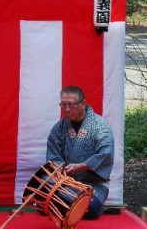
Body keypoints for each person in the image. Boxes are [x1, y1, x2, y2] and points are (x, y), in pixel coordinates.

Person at [46, 85, 114, 220]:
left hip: (93, 183)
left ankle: (65, 207)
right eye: (63, 104)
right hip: (66, 182)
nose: (66, 109)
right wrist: (62, 170)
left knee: (91, 208)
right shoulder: (59, 128)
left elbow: (105, 154)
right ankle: (69, 207)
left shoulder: (100, 125)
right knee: (43, 199)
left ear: (83, 104)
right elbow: (53, 156)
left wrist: (81, 166)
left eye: (70, 104)